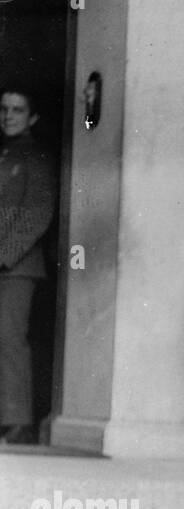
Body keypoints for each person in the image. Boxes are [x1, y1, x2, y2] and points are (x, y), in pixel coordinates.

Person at [0, 86, 56, 445]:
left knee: (9, 341)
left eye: (18, 110)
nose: (8, 116)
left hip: (16, 267)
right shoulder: (4, 154)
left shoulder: (35, 157)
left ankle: (19, 423)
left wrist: (4, 256)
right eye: (4, 109)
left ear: (32, 117)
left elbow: (37, 216)